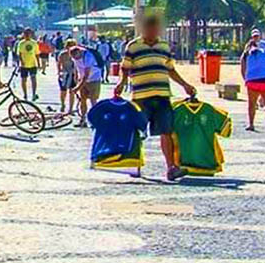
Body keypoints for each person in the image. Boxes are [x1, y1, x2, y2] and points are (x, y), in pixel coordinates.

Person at [116, 12, 198, 182]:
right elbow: (125, 68)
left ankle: (171, 168)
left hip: (162, 95)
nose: (154, 31)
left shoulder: (164, 46)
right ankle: (134, 165)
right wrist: (121, 83)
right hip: (141, 95)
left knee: (166, 131)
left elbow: (170, 69)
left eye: (156, 28)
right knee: (137, 130)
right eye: (150, 28)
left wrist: (185, 85)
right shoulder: (133, 46)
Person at [240, 28, 265, 132]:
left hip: (253, 79)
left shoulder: (247, 49)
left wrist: (245, 78)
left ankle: (251, 124)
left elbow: (242, 63)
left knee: (252, 103)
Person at [70, 43, 103, 126]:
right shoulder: (75, 58)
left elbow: (86, 74)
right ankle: (83, 120)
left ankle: (96, 120)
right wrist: (76, 81)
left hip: (94, 79)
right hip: (82, 80)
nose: (75, 58)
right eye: (73, 57)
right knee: (82, 100)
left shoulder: (88, 56)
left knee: (93, 100)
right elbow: (76, 69)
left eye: (76, 56)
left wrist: (78, 87)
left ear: (79, 52)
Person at [16, 28, 41, 101]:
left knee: (33, 79)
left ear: (31, 34)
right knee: (24, 80)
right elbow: (19, 54)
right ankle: (25, 94)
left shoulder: (34, 43)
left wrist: (38, 63)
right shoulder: (21, 43)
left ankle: (34, 94)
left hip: (32, 64)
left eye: (28, 33)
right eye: (26, 33)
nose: (27, 35)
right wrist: (21, 62)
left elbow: (37, 54)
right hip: (24, 65)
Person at [57, 38, 78, 113]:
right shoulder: (62, 54)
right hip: (64, 74)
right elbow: (59, 63)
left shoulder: (76, 55)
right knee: (63, 91)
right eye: (69, 45)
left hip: (73, 74)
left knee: (72, 92)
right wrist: (59, 72)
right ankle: (63, 104)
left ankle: (71, 109)